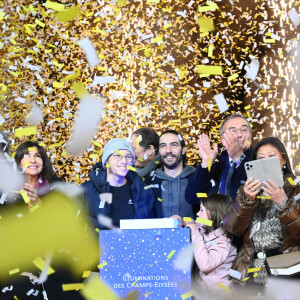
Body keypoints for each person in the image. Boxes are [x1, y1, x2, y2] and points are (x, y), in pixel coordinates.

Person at [223, 137, 300, 286]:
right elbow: (232, 229)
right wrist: (247, 201)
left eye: (271, 156)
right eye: (260, 158)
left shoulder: (296, 187)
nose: (265, 162)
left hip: (285, 269)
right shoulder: (245, 190)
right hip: (250, 269)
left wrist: (283, 203)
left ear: (283, 160)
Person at [81, 138, 156, 229]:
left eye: (128, 157)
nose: (124, 161)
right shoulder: (86, 191)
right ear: (106, 160)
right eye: (117, 156)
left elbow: (152, 228)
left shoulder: (143, 191)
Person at [186, 113, 252, 205]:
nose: (239, 135)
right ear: (222, 140)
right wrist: (206, 162)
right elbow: (191, 198)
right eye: (233, 131)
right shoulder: (216, 165)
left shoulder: (259, 159)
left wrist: (238, 157)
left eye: (244, 130)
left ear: (250, 136)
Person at [186, 194, 237, 292]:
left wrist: (195, 234)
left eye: (201, 210)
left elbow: (206, 265)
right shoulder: (207, 229)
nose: (197, 213)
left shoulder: (224, 241)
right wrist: (180, 219)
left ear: (213, 214)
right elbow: (193, 222)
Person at [146, 130, 195, 218]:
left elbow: (211, 219)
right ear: (159, 151)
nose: (168, 150)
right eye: (163, 146)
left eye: (174, 145)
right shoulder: (149, 183)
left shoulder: (196, 180)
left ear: (183, 150)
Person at [13, 140, 59, 208]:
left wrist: (38, 203)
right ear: (19, 163)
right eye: (27, 156)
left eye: (37, 156)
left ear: (43, 162)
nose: (33, 160)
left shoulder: (57, 187)